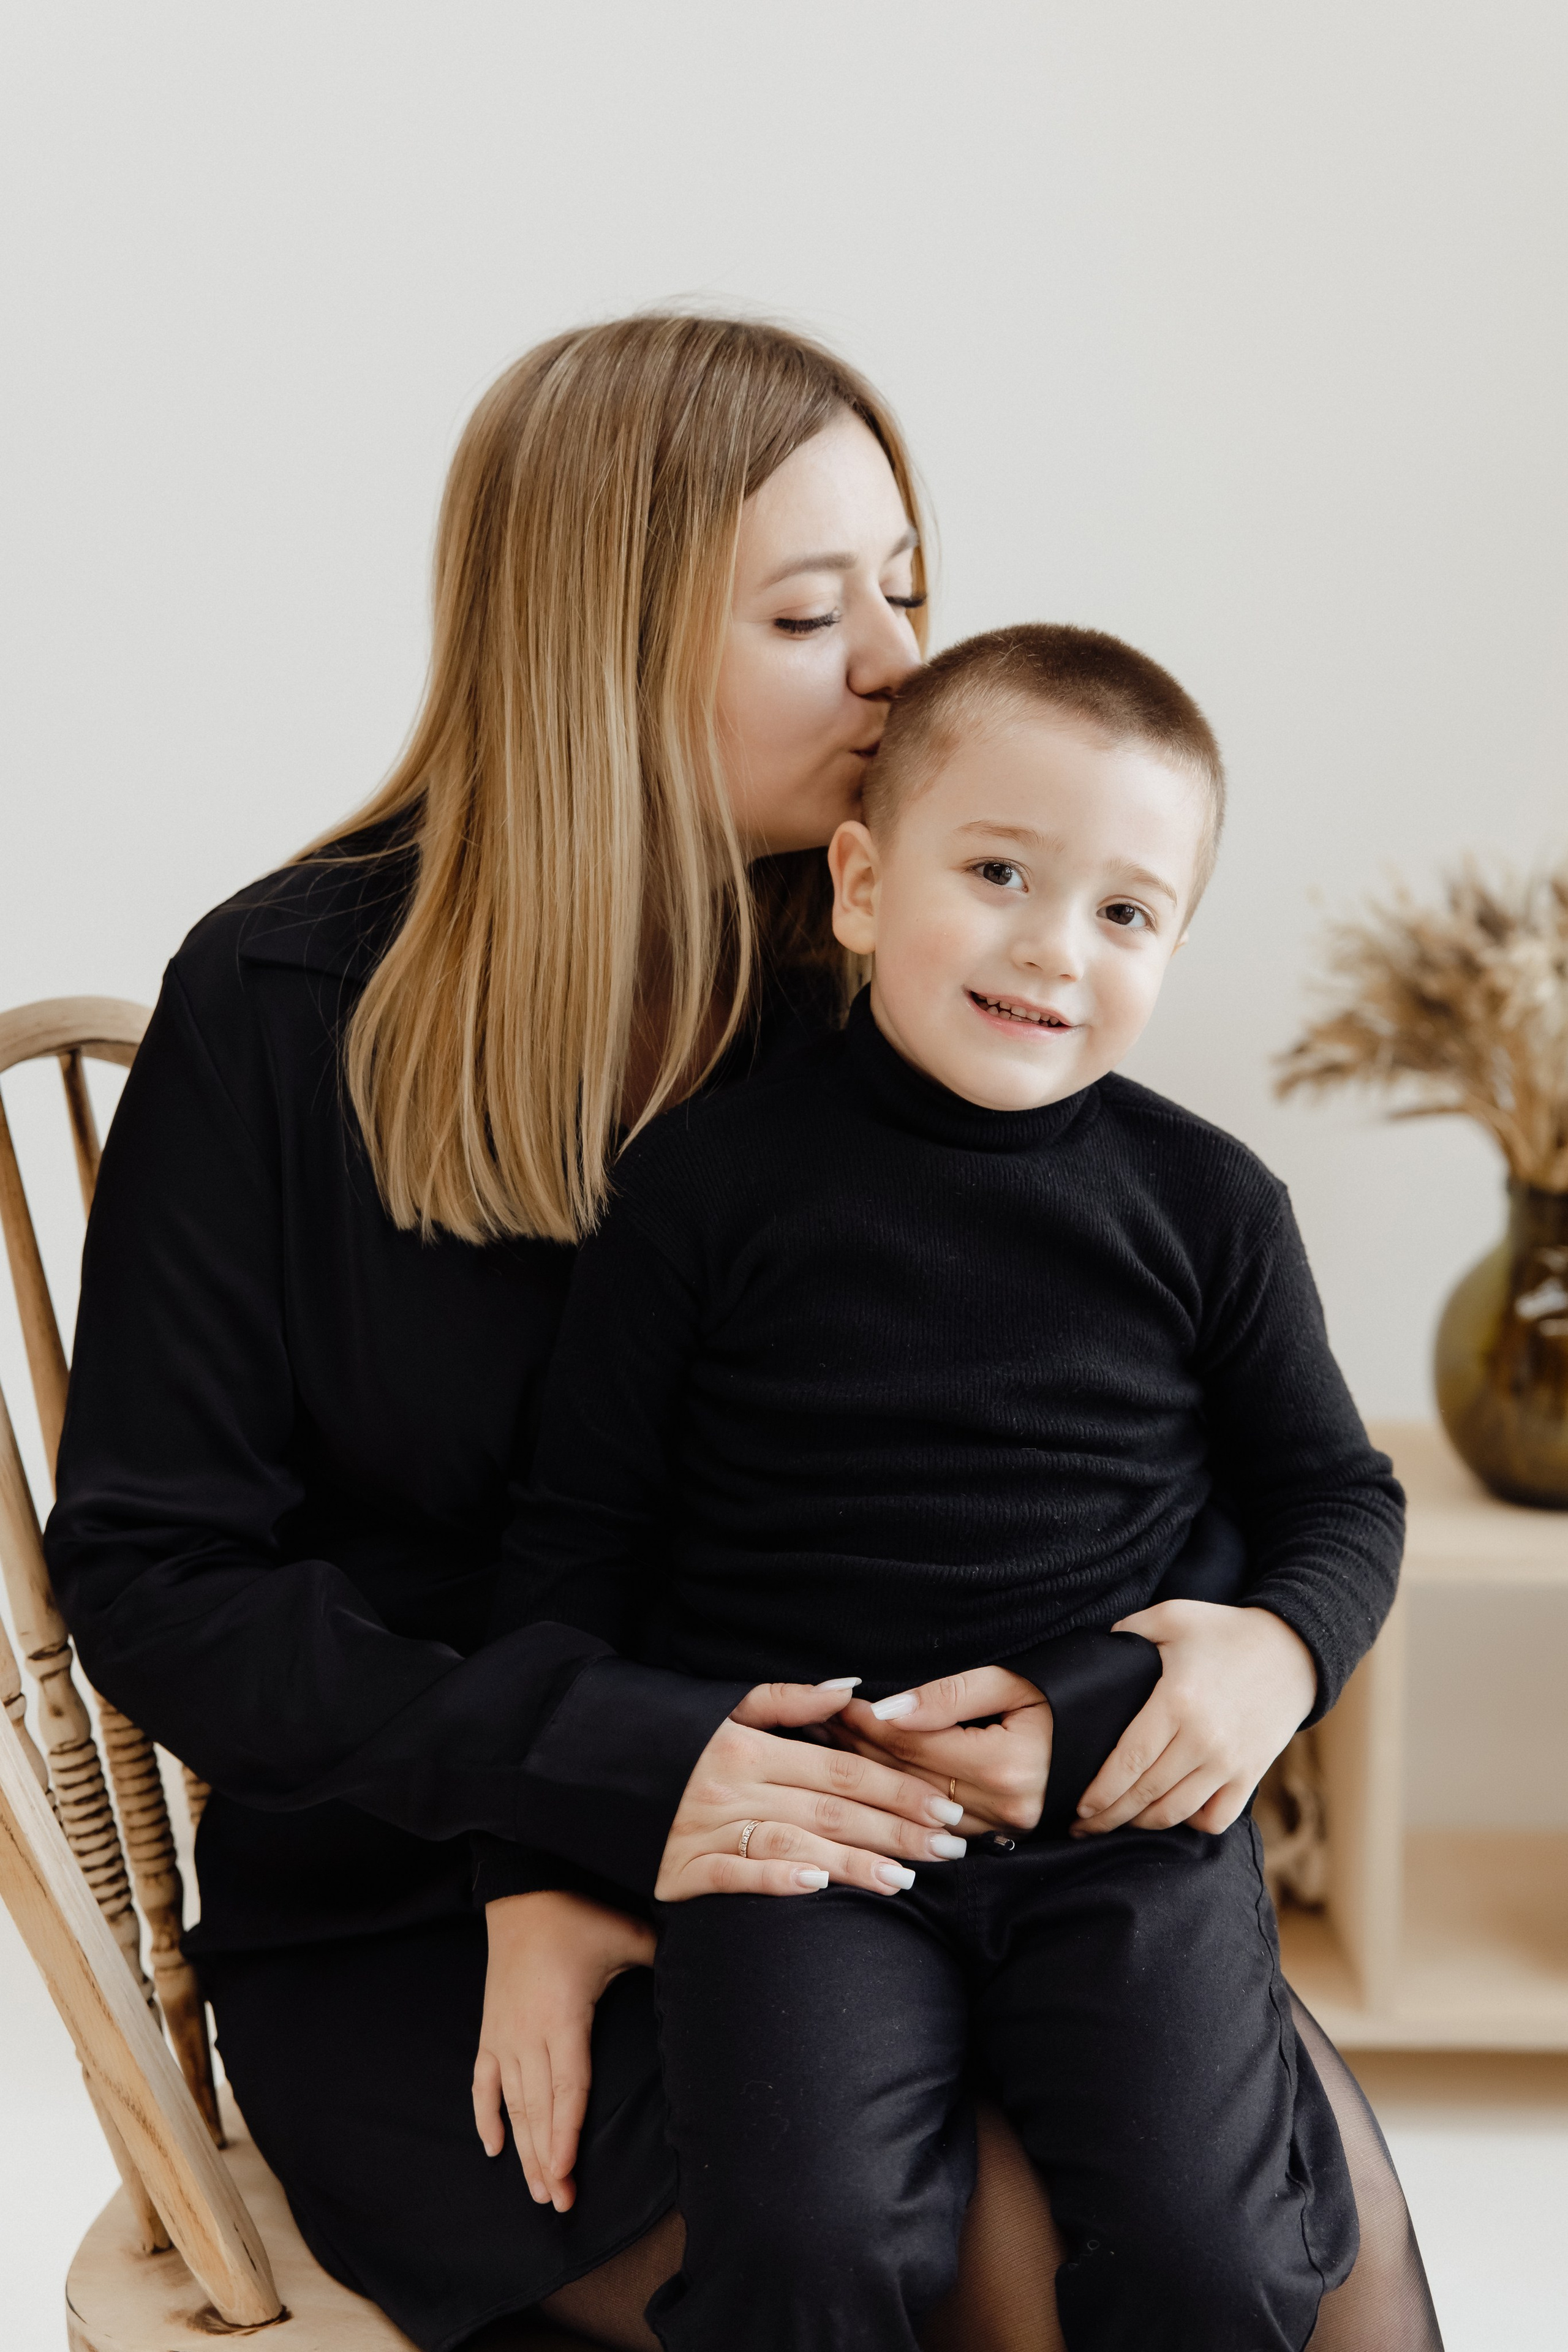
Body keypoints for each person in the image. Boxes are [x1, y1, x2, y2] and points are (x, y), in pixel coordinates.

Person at [43, 316, 1436, 2352]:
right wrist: (587, 1806)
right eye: (810, 612)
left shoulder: (902, 988)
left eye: (908, 590)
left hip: (932, 1823)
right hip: (439, 1874)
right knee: (988, 2275)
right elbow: (156, 1578)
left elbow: (1137, 1435)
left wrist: (1215, 1648)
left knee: (1297, 2266)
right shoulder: (282, 1007)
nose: (894, 665)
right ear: (599, 640)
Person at [479, 625, 1436, 2350]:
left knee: (1209, 2255)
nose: (1052, 948)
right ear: (859, 882)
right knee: (812, 2245)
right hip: (809, 1831)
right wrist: (541, 1862)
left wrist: (1283, 1659)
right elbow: (577, 1545)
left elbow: (1338, 1500)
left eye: (1124, 911)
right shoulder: (706, 1188)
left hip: (1123, 1841)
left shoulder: (1209, 1207)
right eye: (998, 871)